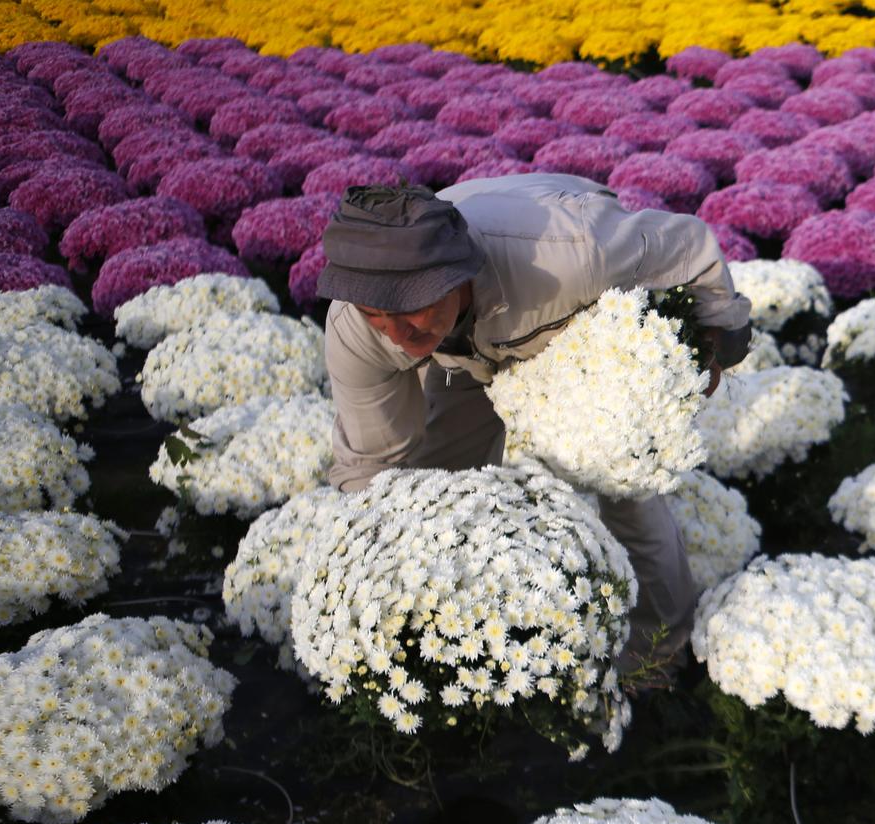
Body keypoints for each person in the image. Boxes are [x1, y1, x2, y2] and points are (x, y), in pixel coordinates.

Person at [316, 174, 753, 686]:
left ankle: (660, 652)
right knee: (438, 492)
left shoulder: (574, 255)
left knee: (623, 486)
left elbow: (689, 246)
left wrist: (720, 337)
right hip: (467, 353)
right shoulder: (355, 331)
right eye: (377, 315)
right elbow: (374, 468)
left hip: (569, 322)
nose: (398, 334)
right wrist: (376, 570)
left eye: (412, 307)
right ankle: (471, 648)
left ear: (457, 275)